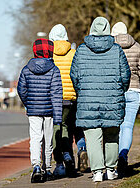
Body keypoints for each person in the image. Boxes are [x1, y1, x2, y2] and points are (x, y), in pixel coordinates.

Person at [70, 17, 131, 182]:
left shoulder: (81, 50)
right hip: (112, 100)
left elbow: (74, 76)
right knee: (112, 134)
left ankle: (97, 171)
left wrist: (82, 91)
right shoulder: (117, 50)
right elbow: (126, 76)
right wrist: (119, 90)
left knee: (92, 135)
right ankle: (111, 169)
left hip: (88, 100)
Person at [17, 38, 63, 183]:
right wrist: (58, 116)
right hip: (49, 110)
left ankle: (36, 166)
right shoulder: (54, 69)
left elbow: (21, 89)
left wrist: (28, 103)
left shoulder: (26, 69)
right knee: (48, 140)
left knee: (35, 138)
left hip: (33, 111)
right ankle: (47, 168)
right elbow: (56, 94)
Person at [49, 24, 88, 177]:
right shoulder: (74, 53)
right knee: (74, 128)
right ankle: (80, 151)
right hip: (73, 97)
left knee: (59, 130)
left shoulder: (50, 55)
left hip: (56, 98)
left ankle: (63, 161)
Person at [111, 22, 140, 177]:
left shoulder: (111, 47)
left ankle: (112, 160)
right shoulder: (136, 46)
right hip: (133, 90)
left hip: (116, 91)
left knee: (115, 127)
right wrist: (135, 73)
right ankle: (123, 156)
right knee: (127, 127)